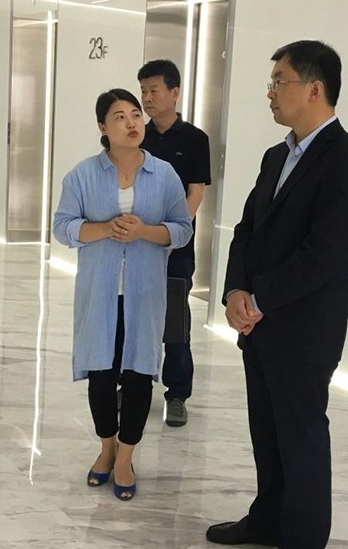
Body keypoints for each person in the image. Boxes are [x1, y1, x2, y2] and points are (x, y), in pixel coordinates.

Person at [205, 40, 348, 548]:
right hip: (260, 325)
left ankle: (302, 536)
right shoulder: (277, 155)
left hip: (304, 330)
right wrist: (235, 289)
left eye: (280, 81)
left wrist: (258, 300)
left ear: (314, 89)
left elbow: (324, 255)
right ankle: (267, 519)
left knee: (301, 438)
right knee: (268, 432)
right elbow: (247, 229)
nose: (271, 92)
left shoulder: (347, 162)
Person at [52, 89, 192, 501]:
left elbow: (182, 229)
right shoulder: (82, 174)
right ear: (102, 126)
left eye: (135, 114)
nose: (132, 123)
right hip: (100, 293)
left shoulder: (164, 174)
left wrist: (145, 231)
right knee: (101, 372)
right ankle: (106, 448)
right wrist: (104, 228)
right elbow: (62, 227)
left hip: (145, 293)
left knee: (138, 375)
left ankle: (126, 457)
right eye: (119, 116)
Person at [137, 59, 212, 428]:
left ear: (175, 92)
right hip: (137, 242)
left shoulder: (195, 139)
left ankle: (177, 394)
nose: (147, 98)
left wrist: (175, 232)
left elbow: (195, 192)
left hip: (176, 246)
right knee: (135, 316)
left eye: (154, 90)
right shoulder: (138, 135)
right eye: (143, 91)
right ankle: (133, 385)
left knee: (175, 320)